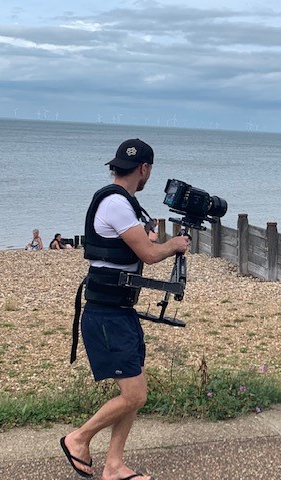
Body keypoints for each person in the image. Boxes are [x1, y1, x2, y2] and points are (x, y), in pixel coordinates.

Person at [60, 139, 190, 480]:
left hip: (119, 310)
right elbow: (149, 254)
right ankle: (78, 438)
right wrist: (175, 244)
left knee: (136, 392)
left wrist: (151, 239)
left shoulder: (124, 203)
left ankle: (114, 465)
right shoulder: (117, 204)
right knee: (134, 395)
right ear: (144, 168)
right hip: (106, 314)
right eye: (149, 170)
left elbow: (135, 248)